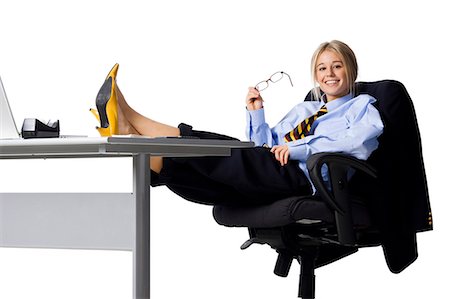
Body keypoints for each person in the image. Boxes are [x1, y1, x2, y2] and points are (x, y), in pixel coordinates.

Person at [90, 40, 383, 206]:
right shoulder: (304, 109)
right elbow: (262, 146)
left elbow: (356, 143)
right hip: (272, 167)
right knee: (202, 167)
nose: (329, 73)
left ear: (351, 69)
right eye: (322, 68)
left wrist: (300, 150)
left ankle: (129, 123)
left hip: (304, 178)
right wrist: (256, 114)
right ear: (315, 75)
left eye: (337, 66)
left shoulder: (363, 107)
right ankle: (128, 128)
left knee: (220, 152)